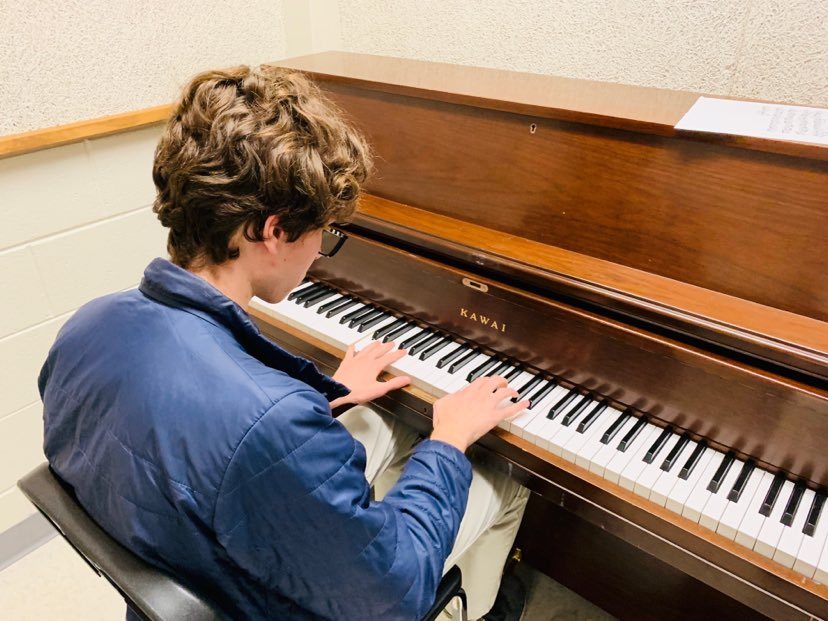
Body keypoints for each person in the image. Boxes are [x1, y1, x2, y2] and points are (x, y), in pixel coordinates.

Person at [39, 65, 530, 621]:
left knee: (372, 429)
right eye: (327, 232)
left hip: (180, 553)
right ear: (272, 232)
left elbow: (193, 435)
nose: (321, 249)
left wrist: (327, 395)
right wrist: (448, 440)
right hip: (258, 601)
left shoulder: (88, 325)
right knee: (502, 481)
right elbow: (393, 593)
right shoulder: (273, 426)